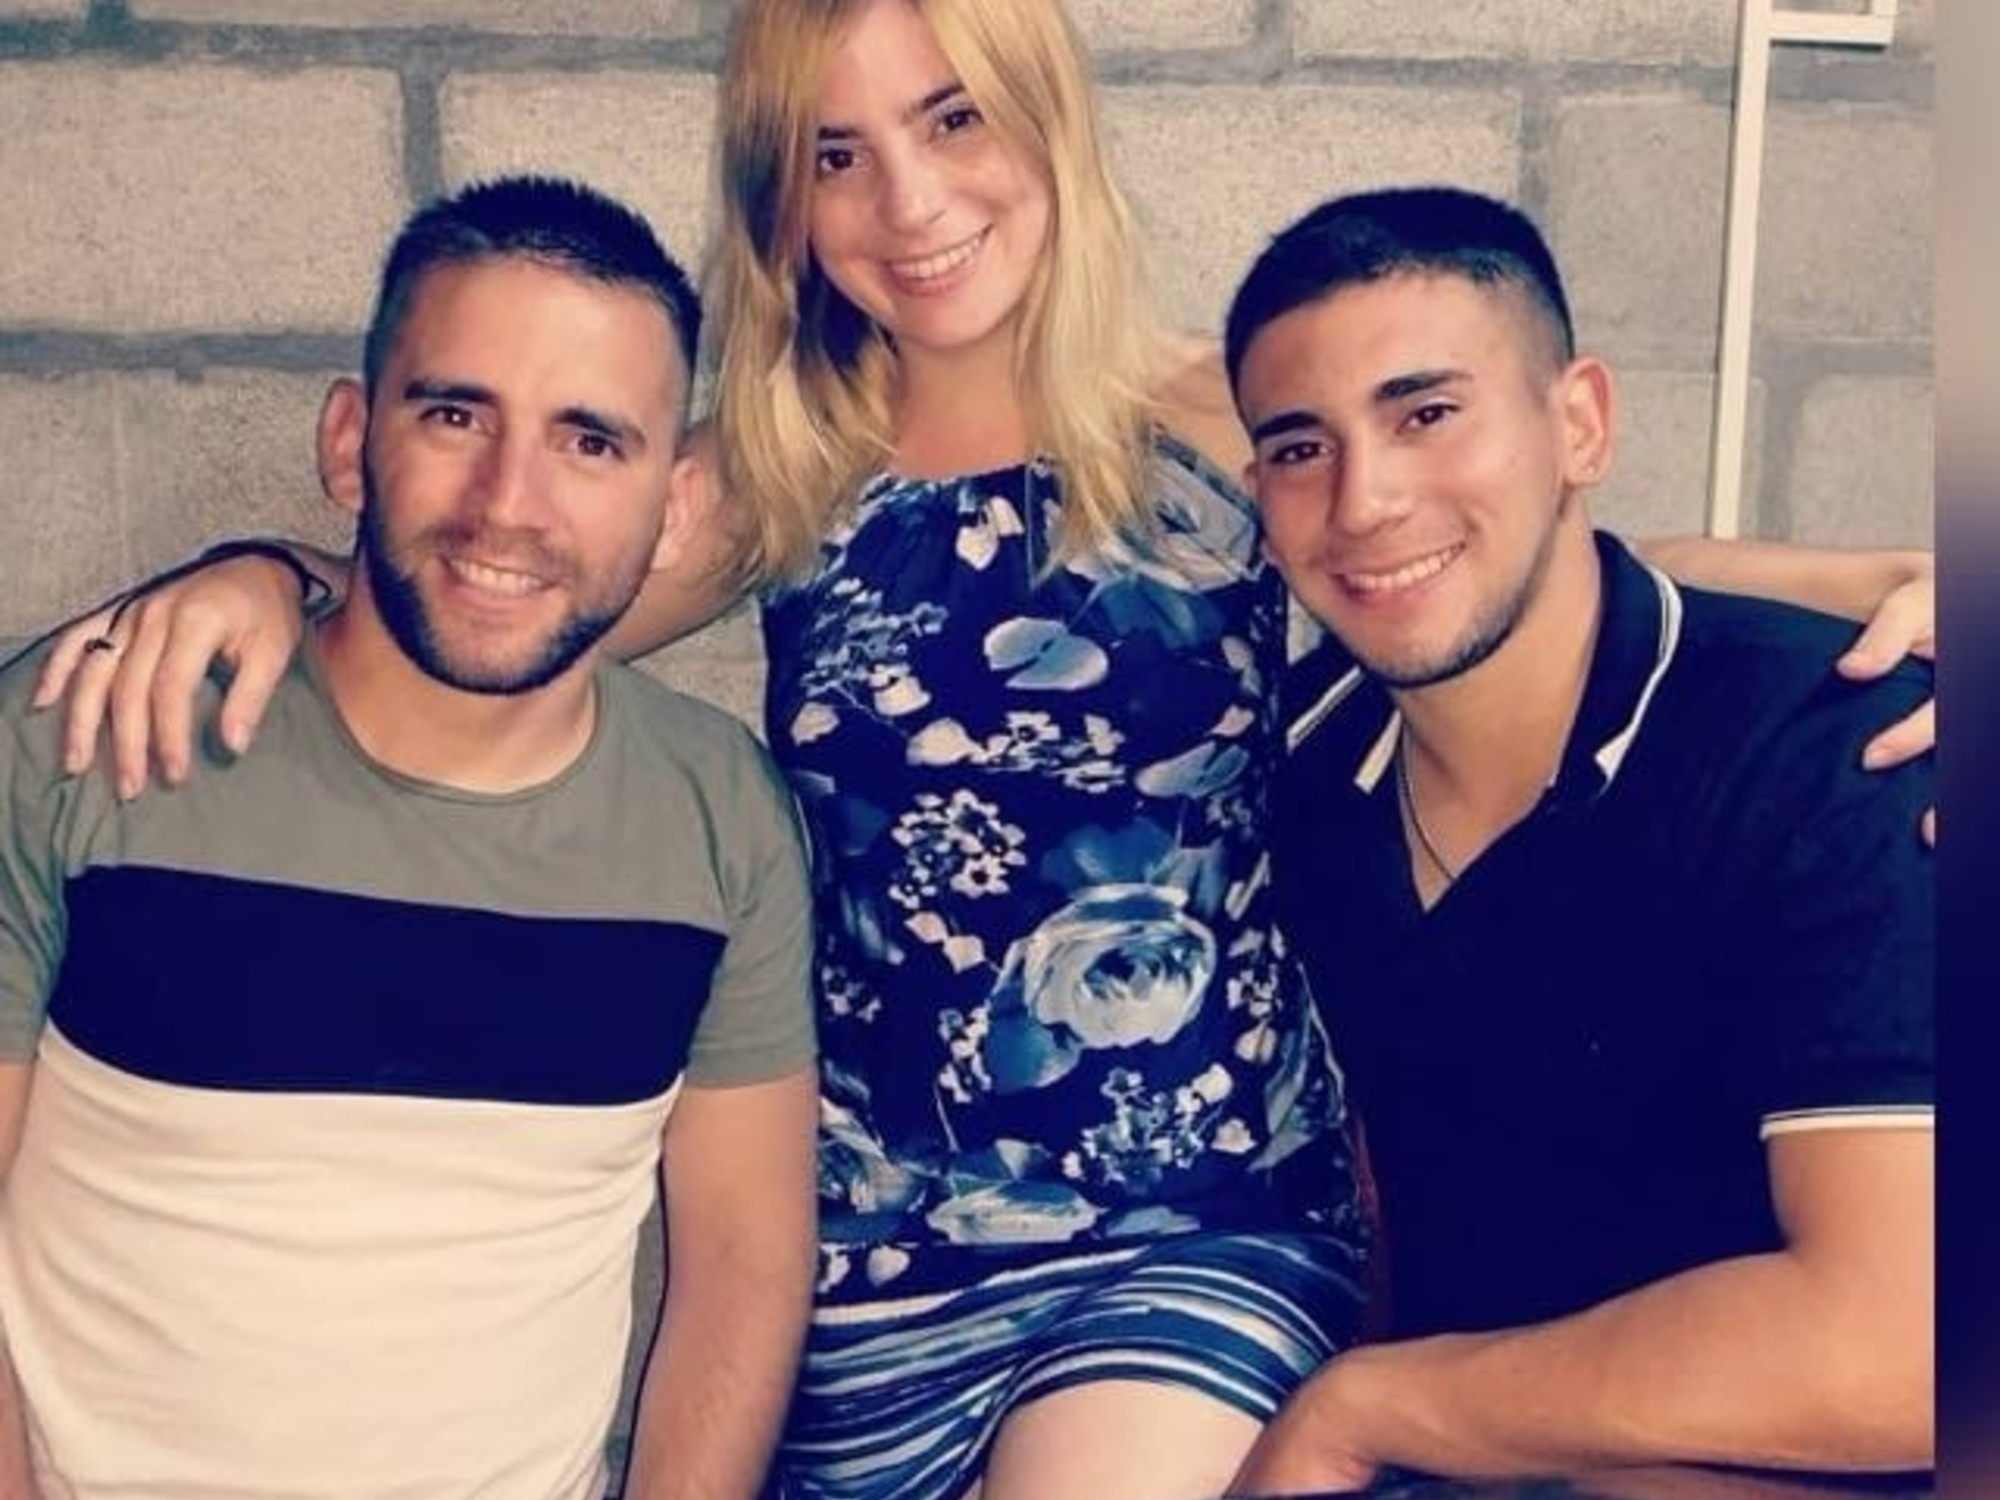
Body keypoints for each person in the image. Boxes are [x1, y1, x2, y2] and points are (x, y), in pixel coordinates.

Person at [25, 5, 1939, 1499]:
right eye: (837, 154)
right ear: (784, 199)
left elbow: (1480, 542)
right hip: (871, 1258)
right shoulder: (778, 478)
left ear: (1046, 118)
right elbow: (505, 575)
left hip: (1196, 1223)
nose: (911, 201)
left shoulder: (1210, 420)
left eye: (954, 121)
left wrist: (1879, 578)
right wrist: (263, 570)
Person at [0, 175, 818, 1500]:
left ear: (672, 508)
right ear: (350, 441)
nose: (509, 502)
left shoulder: (716, 820)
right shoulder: (86, 741)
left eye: (588, 442)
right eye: (455, 415)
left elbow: (742, 1261)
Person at [1222, 186, 1934, 1493]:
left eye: (1427, 414)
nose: (1365, 500)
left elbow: (1904, 1348)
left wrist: (1369, 1409)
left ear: (1580, 424)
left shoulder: (1842, 750)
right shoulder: (1298, 774)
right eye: (1301, 447)